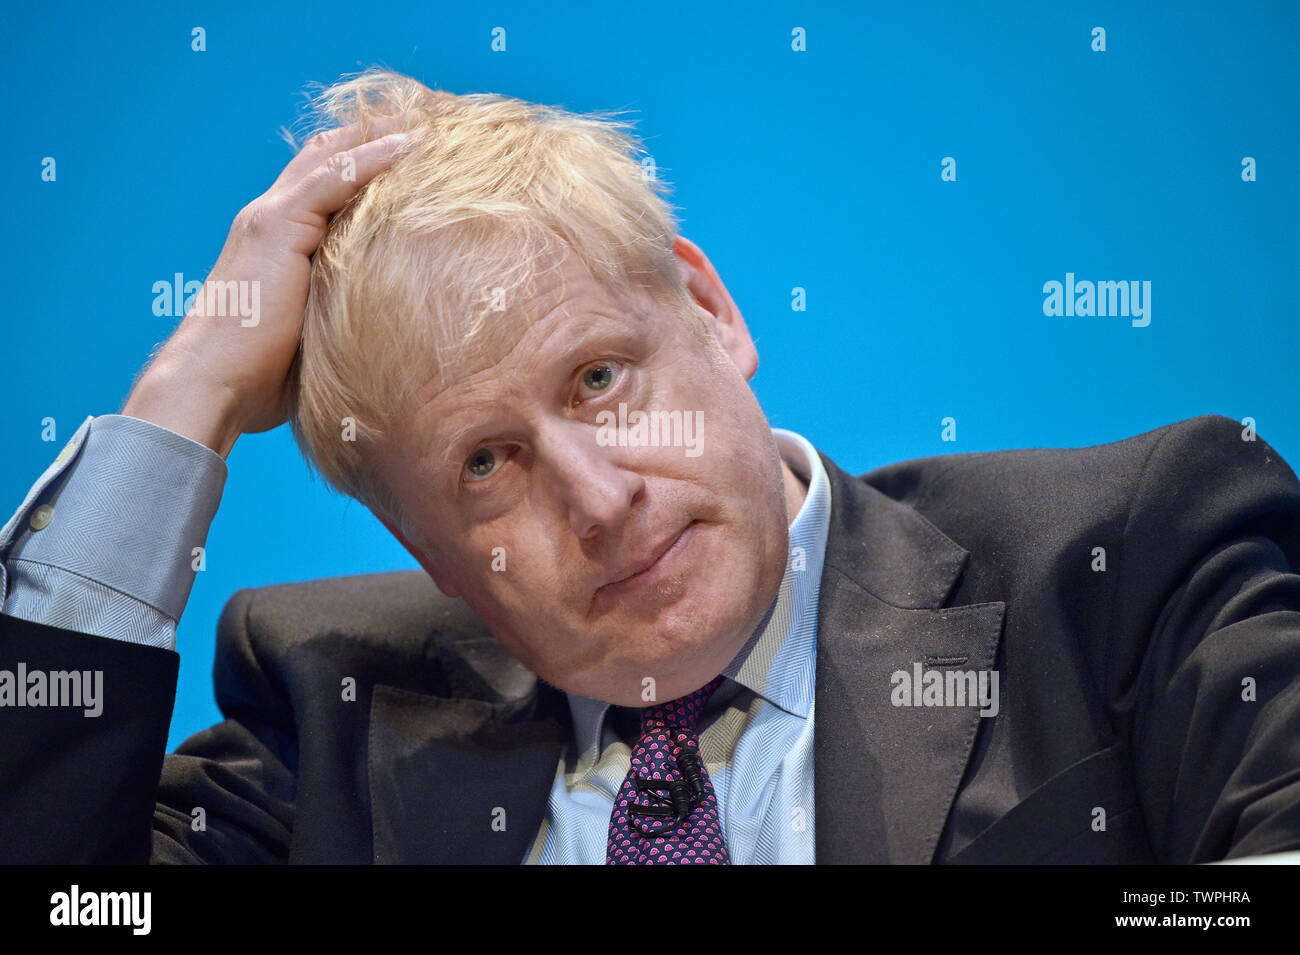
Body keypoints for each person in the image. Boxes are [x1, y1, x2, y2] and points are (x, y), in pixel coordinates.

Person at [2, 69, 1299, 864]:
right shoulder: (328, 715)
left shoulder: (1126, 564)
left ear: (710, 308)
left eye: (599, 381)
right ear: (422, 548)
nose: (600, 495)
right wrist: (186, 403)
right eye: (486, 463)